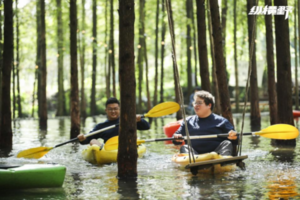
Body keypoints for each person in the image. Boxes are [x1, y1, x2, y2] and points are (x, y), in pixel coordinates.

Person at [173, 90, 237, 156]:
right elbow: (175, 139)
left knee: (227, 143)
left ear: (209, 105)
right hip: (194, 156)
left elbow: (237, 140)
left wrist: (234, 136)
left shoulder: (222, 121)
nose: (196, 105)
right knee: (184, 147)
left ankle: (223, 163)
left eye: (199, 103)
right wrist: (176, 138)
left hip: (217, 155)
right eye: (195, 103)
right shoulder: (187, 121)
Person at [77, 97, 150, 148]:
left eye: (115, 109)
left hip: (127, 147)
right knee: (93, 141)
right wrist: (82, 139)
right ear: (106, 110)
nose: (113, 111)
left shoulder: (128, 121)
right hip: (109, 151)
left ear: (120, 109)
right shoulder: (101, 126)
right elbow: (87, 139)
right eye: (110, 109)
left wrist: (140, 120)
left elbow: (147, 127)